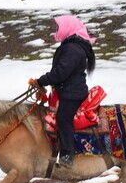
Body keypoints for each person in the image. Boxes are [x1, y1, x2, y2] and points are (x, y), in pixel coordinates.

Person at [34, 14, 96, 168]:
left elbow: (61, 72)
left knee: (63, 118)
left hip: (72, 94)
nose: (56, 31)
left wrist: (41, 81)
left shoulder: (72, 49)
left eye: (58, 28)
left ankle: (68, 154)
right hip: (68, 91)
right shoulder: (72, 46)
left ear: (68, 28)